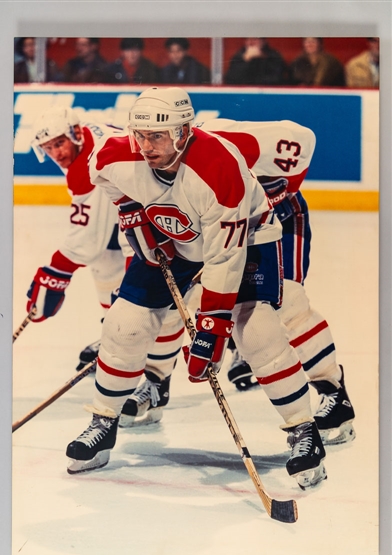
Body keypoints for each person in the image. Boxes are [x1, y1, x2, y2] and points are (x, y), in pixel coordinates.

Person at [66, 87, 327, 492]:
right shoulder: (117, 153)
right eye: (140, 135)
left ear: (184, 132)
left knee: (257, 332)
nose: (146, 146)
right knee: (124, 324)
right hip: (177, 237)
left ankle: (303, 430)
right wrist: (131, 208)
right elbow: (100, 172)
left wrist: (212, 328)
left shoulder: (218, 168)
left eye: (158, 136)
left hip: (247, 242)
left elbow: (224, 260)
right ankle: (103, 422)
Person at [122, 117, 356, 448]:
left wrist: (283, 188)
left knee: (287, 303)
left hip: (275, 224)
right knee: (174, 302)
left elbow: (302, 138)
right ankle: (155, 382)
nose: (148, 148)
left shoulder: (232, 145)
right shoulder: (149, 168)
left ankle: (334, 393)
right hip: (216, 228)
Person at [27, 106, 131, 368]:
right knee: (106, 264)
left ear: (73, 134)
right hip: (130, 196)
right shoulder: (86, 133)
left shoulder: (86, 167)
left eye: (59, 143)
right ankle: (115, 338)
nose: (56, 153)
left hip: (155, 202)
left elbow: (85, 242)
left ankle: (234, 344)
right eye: (48, 148)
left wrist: (53, 275)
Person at [224, 38, 290, 86]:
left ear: (263, 41)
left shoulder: (273, 56)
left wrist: (262, 58)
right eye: (248, 39)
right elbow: (230, 79)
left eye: (255, 39)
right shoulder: (239, 56)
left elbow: (277, 79)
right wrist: (245, 61)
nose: (251, 42)